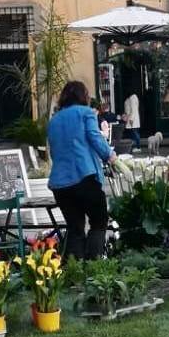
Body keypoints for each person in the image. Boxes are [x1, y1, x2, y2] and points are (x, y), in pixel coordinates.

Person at [48, 81, 116, 263]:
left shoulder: (54, 120)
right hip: (84, 176)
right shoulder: (86, 113)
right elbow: (94, 137)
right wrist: (109, 155)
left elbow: (53, 151)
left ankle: (74, 272)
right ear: (83, 96)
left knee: (75, 227)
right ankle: (94, 266)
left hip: (60, 184)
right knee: (99, 220)